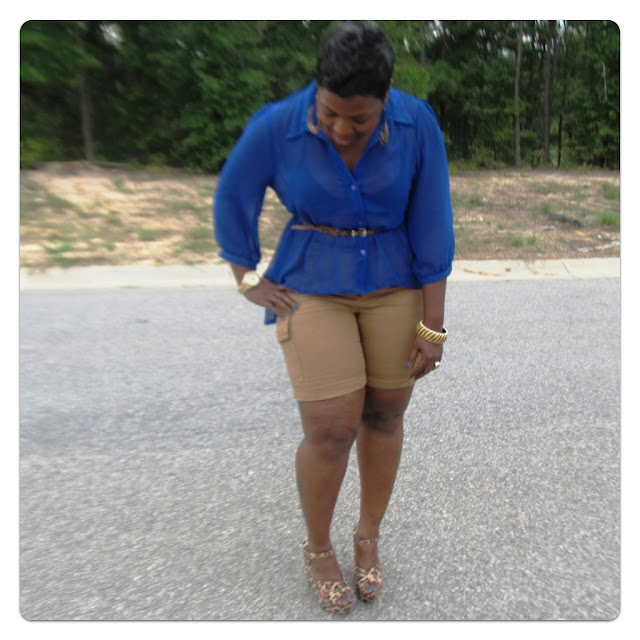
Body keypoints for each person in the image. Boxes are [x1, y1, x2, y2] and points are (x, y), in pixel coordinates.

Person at [214, 20, 454, 614]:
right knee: (330, 429)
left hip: (395, 280)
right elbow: (233, 193)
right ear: (317, 89)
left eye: (360, 119)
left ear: (386, 99)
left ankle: (367, 536)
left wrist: (432, 326)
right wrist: (245, 275)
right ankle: (318, 548)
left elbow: (433, 218)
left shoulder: (416, 123)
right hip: (312, 282)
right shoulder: (277, 125)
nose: (342, 129)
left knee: (385, 412)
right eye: (330, 113)